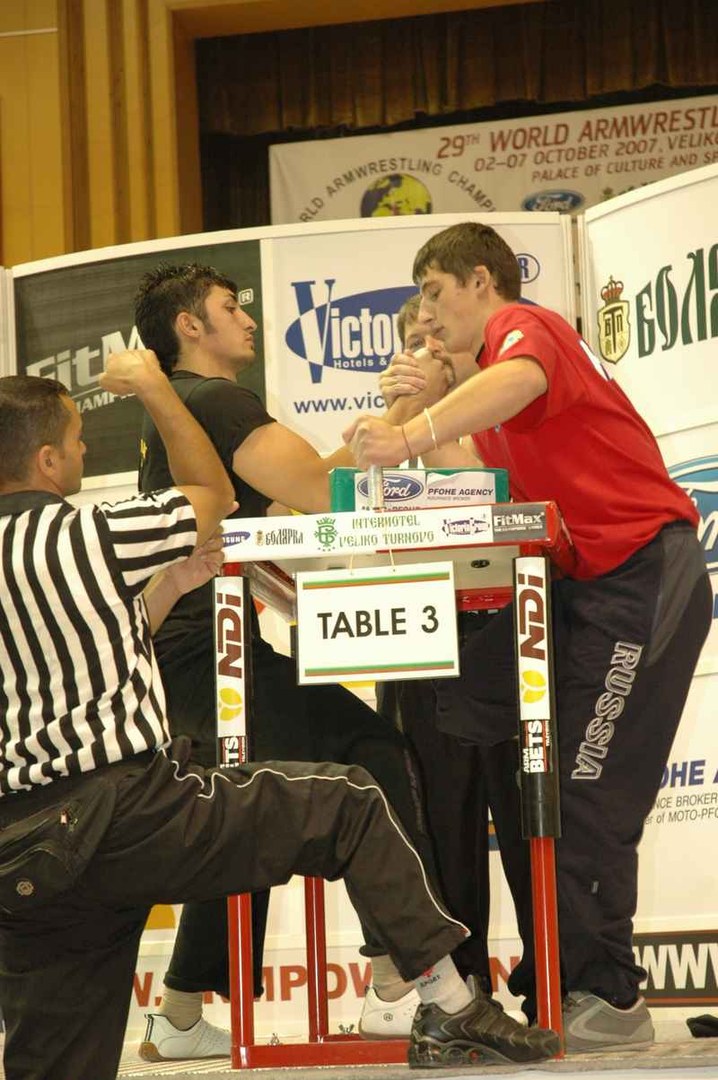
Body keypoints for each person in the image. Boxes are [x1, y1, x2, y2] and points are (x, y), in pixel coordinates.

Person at [0, 363, 560, 1080]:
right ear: (46, 461)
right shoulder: (92, 533)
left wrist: (172, 582)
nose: (83, 455)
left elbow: (88, 642)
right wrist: (155, 390)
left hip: (25, 855)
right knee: (351, 799)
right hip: (124, 813)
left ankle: (182, 1009)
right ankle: (450, 1007)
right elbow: (214, 494)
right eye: (77, 443)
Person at [345, 220, 712, 1053]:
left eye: (435, 296)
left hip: (642, 575)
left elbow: (498, 389)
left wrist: (410, 429)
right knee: (554, 791)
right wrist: (414, 400)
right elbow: (449, 462)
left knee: (585, 791)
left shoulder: (530, 331)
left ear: (482, 280)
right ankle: (580, 986)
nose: (428, 318)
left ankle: (609, 996)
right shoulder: (495, 395)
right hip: (594, 589)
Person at [132, 262, 465, 1058]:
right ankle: (396, 982)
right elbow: (323, 493)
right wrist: (401, 413)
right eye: (227, 307)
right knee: (368, 752)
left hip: (190, 657)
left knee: (244, 812)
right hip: (205, 656)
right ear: (189, 328)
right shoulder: (214, 400)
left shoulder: (183, 413)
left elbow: (287, 509)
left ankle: (177, 1014)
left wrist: (379, 431)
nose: (245, 318)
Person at [369, 294, 534, 1032]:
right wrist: (393, 423)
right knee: (438, 822)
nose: (420, 352)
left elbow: (485, 494)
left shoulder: (502, 419)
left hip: (501, 633)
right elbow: (342, 510)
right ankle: (462, 991)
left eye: (433, 339)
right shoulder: (379, 432)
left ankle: (556, 974)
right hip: (412, 639)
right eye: (409, 341)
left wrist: (421, 425)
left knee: (526, 817)